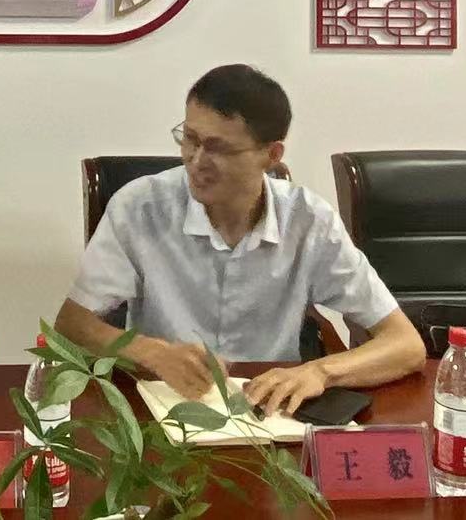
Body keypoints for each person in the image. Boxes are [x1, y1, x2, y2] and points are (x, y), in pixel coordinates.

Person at [53, 65, 425, 417]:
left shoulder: (309, 221)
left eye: (218, 149)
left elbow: (405, 345)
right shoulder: (139, 207)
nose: (196, 161)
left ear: (271, 155)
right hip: (160, 408)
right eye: (190, 139)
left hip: (269, 411)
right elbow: (72, 325)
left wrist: (321, 372)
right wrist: (151, 352)